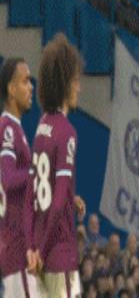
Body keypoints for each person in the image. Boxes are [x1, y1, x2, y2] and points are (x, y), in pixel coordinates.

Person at [24, 33, 86, 297]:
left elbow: (33, 194)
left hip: (41, 260)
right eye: (76, 81)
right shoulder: (67, 132)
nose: (79, 88)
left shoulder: (42, 127)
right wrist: (43, 249)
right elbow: (57, 201)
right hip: (59, 254)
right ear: (65, 84)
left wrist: (33, 249)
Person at [0, 58, 40, 297]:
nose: (31, 87)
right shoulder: (7, 128)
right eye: (25, 81)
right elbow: (7, 178)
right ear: (11, 89)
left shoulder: (15, 128)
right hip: (17, 249)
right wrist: (37, 171)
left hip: (19, 248)